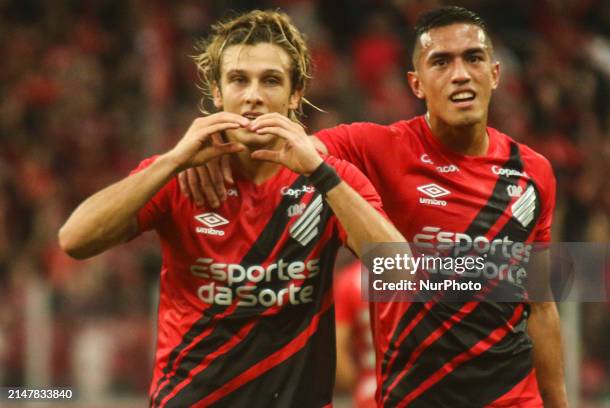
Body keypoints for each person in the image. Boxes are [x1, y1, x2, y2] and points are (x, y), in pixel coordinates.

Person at [183, 6, 568, 407]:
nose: (460, 74)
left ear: (494, 73)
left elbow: (541, 306)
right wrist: (219, 147)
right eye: (441, 62)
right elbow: (288, 148)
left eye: (473, 58)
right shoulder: (374, 147)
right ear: (416, 84)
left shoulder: (533, 172)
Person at [58, 10, 407, 408]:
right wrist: (171, 161)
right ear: (217, 92)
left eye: (271, 81)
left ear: (295, 94)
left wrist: (318, 171)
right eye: (239, 80)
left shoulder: (328, 179)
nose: (253, 96)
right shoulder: (181, 176)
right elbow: (74, 240)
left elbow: (400, 273)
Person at [334, 260, 377, 408]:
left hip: (370, 392)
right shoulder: (424, 274)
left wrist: (356, 387)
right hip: (418, 390)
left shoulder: (350, 279)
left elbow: (338, 353)